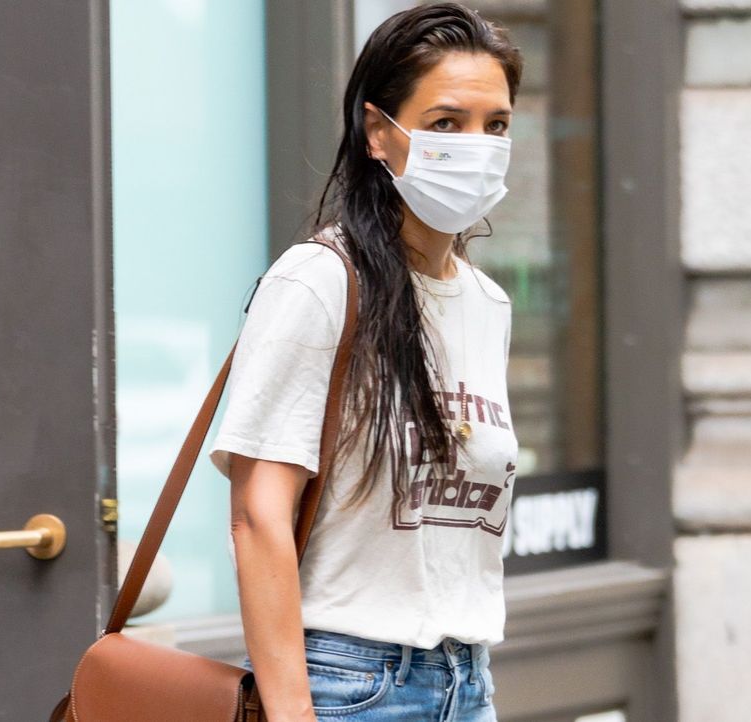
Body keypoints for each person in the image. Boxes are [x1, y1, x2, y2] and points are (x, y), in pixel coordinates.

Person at [208, 4, 523, 720]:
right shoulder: (318, 281)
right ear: (380, 132)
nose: (476, 146)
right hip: (350, 685)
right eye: (446, 122)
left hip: (468, 682)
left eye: (495, 125)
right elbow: (258, 516)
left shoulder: (487, 303)